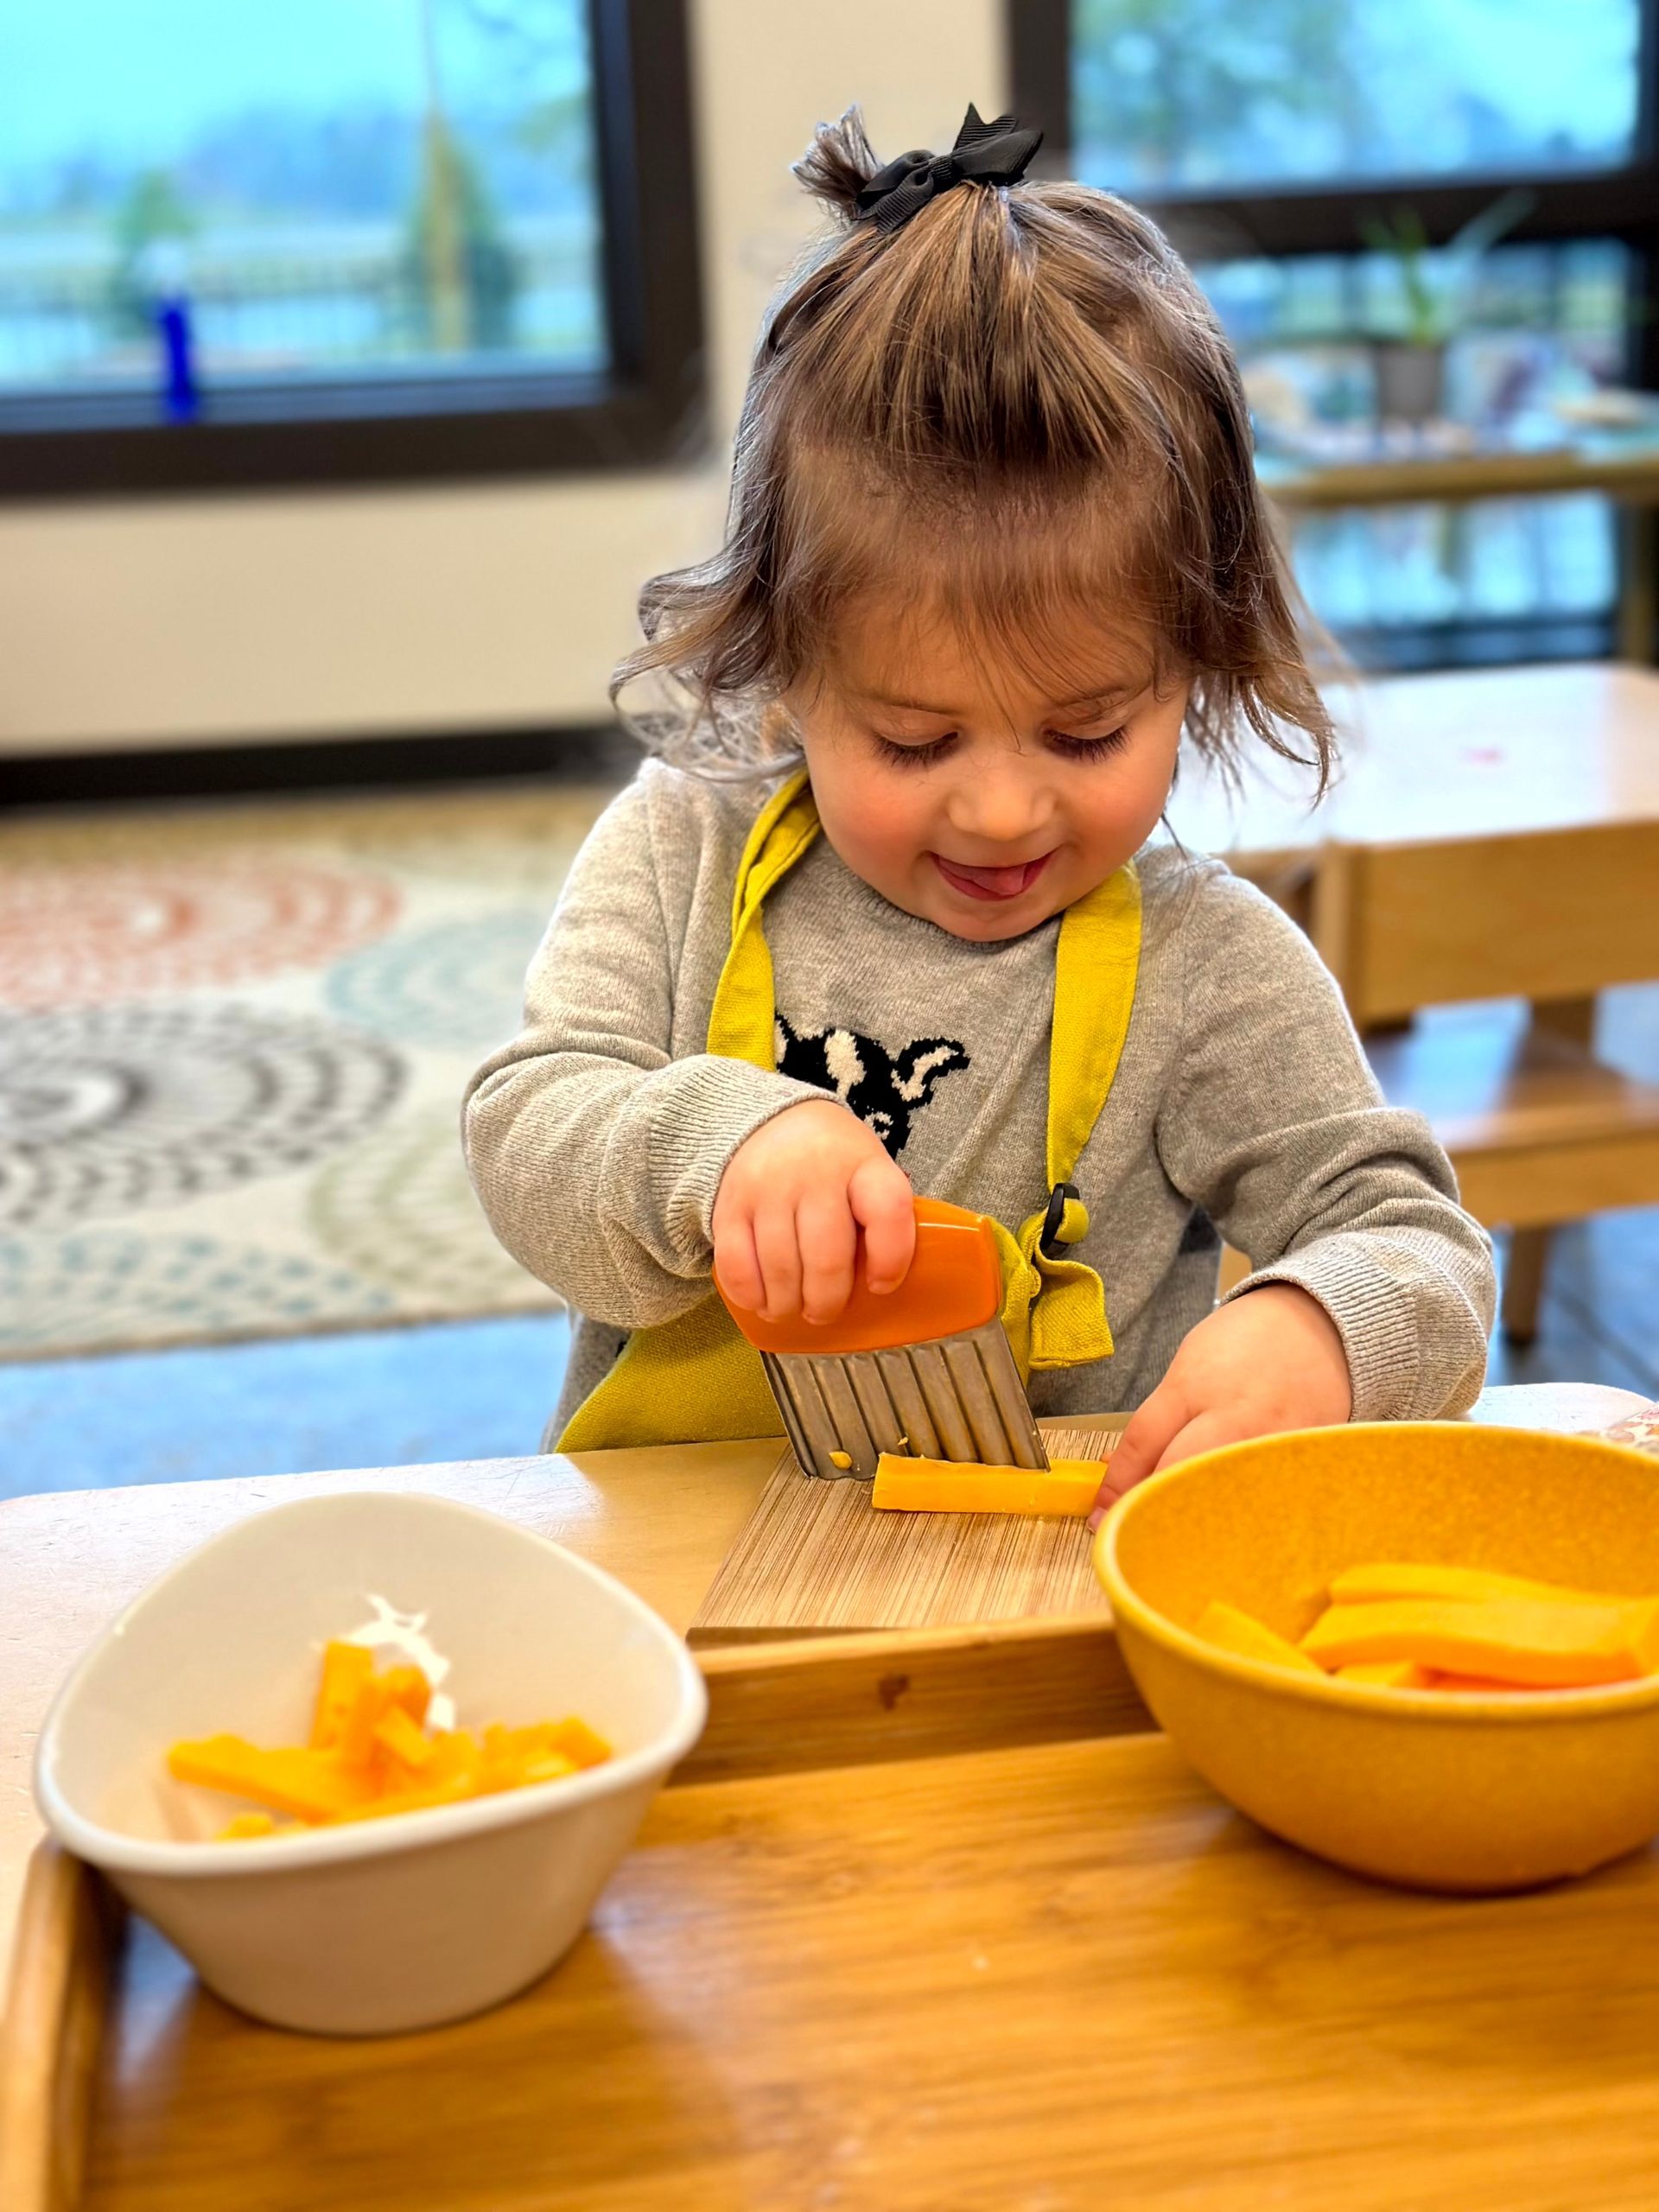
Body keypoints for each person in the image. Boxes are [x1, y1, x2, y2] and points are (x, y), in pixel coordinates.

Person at [464, 105, 1496, 1509]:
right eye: (914, 739)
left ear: (1196, 664)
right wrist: (714, 1144)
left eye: (1087, 732)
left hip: (1039, 1574)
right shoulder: (677, 851)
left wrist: (1324, 1327)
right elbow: (528, 1131)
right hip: (680, 1549)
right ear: (785, 671)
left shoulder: (1208, 967)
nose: (1004, 810)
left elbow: (1419, 1245)